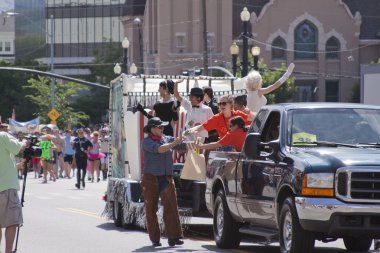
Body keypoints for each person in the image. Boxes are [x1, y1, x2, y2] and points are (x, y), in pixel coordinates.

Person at [141, 117, 184, 247]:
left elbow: (181, 145)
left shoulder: (166, 138)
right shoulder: (146, 142)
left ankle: (174, 237)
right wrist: (175, 142)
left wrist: (187, 137)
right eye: (160, 127)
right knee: (151, 209)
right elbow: (160, 149)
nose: (162, 129)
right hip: (150, 178)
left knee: (171, 206)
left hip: (166, 177)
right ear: (152, 129)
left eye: (163, 127)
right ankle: (155, 239)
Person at [0, 123, 27, 253]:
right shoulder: (3, 136)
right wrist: (25, 142)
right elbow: (19, 148)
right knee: (12, 222)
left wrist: (15, 166)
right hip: (6, 186)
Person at [185, 94, 254, 139]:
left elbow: (256, 121)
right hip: (226, 148)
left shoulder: (239, 114)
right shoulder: (216, 118)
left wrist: (249, 112)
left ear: (231, 105)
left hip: (240, 147)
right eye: (220, 104)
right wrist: (188, 132)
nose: (221, 106)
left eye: (224, 103)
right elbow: (200, 128)